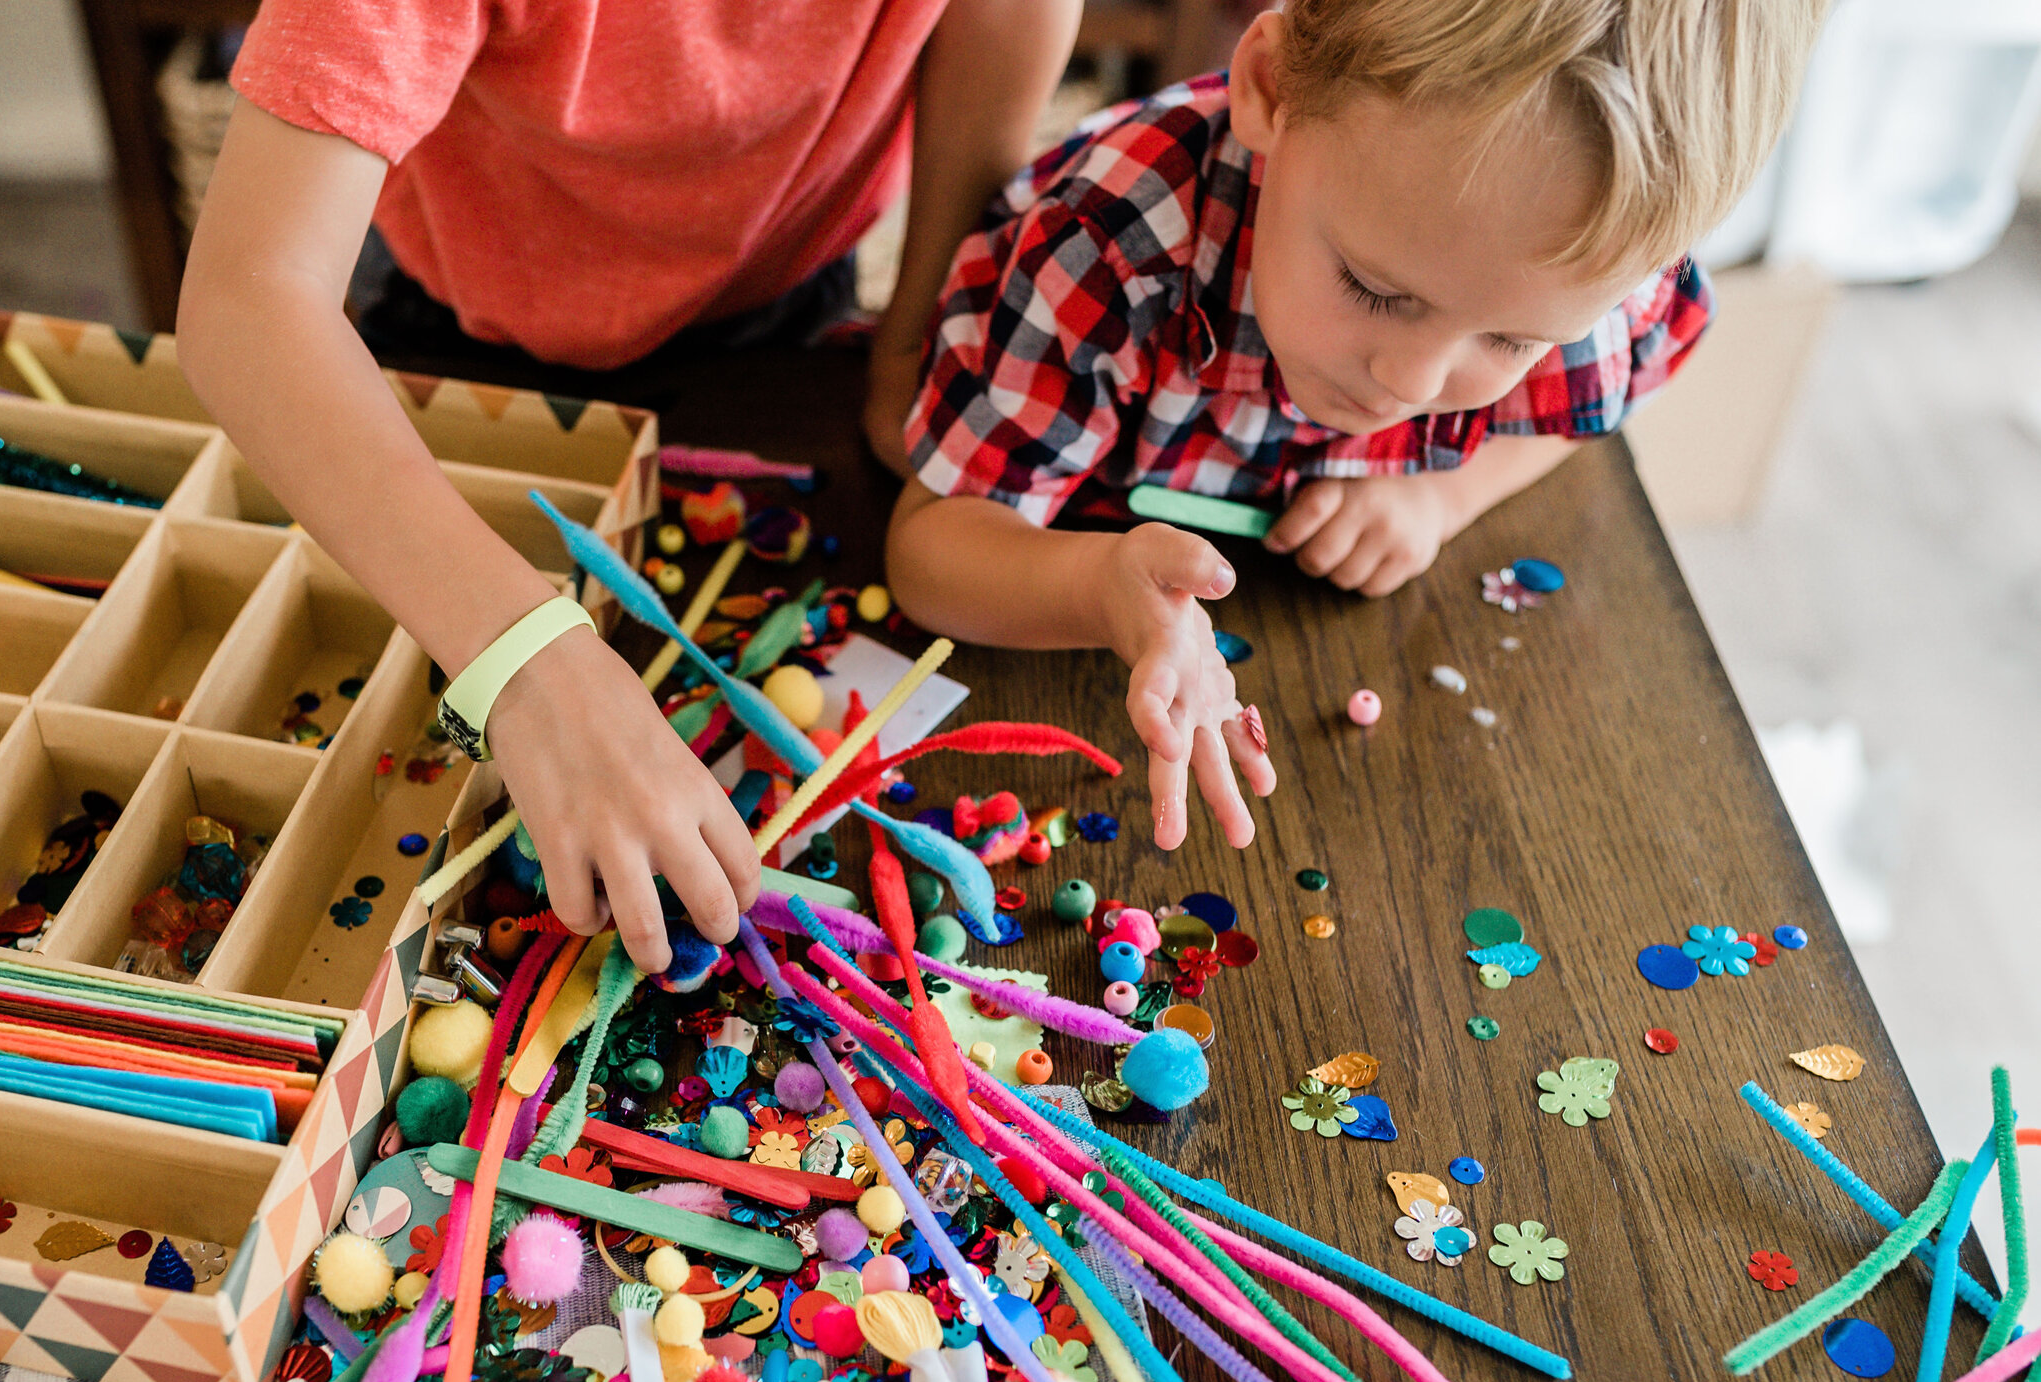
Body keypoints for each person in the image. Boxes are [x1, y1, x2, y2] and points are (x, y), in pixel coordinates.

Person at [176, 0, 1081, 973]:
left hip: (785, 310)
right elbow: (247, 298)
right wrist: (530, 661)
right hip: (463, 337)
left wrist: (913, 340)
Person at [887, 0, 1826, 853]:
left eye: (1509, 339)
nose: (1412, 380)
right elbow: (931, 547)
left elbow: (1603, 399)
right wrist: (1098, 585)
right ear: (1268, 88)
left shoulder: (1572, 266)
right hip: (1053, 546)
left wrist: (1440, 496)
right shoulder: (1110, 239)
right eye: (1374, 288)